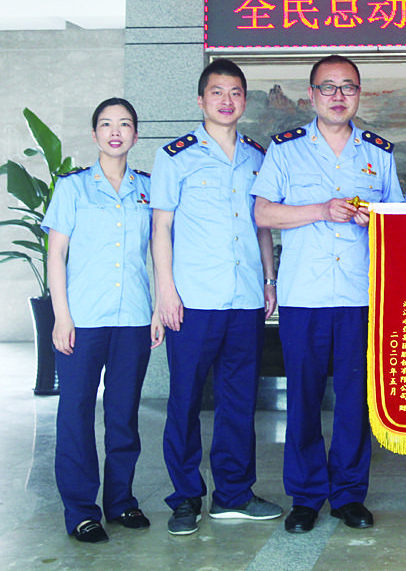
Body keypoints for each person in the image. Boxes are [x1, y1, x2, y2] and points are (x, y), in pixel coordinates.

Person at [252, 55, 404, 534]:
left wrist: (374, 218)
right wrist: (320, 209)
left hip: (360, 296)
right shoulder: (285, 150)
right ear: (312, 94)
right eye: (328, 87)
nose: (338, 96)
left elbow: (398, 224)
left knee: (355, 400)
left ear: (359, 94)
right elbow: (263, 214)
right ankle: (305, 496)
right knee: (303, 398)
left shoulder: (378, 153)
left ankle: (349, 495)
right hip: (306, 295)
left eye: (348, 87)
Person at [151, 59, 282, 536]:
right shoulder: (176, 156)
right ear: (201, 99)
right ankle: (185, 497)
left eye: (235, 93)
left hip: (244, 297)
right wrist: (165, 291)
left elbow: (262, 223)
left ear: (244, 100)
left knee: (238, 400)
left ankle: (233, 494)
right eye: (217, 92)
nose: (227, 101)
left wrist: (269, 279)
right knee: (185, 400)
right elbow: (160, 227)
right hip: (193, 299)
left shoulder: (256, 156)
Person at [45, 98, 154, 543]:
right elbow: (56, 254)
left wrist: (157, 309)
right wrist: (61, 316)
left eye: (124, 124)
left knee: (124, 414)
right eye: (106, 124)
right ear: (94, 134)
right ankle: (80, 511)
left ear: (135, 134)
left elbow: (158, 251)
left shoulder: (148, 189)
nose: (115, 131)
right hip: (83, 318)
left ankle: (121, 501)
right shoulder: (73, 188)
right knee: (75, 413)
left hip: (133, 317)